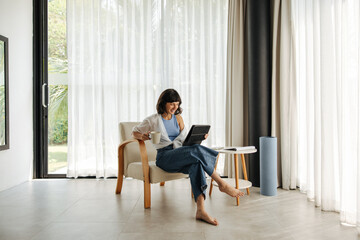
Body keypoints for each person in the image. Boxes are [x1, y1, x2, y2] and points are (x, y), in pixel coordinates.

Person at [132, 88, 244, 226]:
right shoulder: (153, 120)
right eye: (172, 103)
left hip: (181, 153)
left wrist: (198, 138)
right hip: (164, 157)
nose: (175, 107)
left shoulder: (178, 118)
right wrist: (143, 136)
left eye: (178, 104)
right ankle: (222, 183)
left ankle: (201, 210)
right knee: (196, 151)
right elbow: (135, 132)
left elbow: (185, 142)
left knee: (196, 164)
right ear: (163, 103)